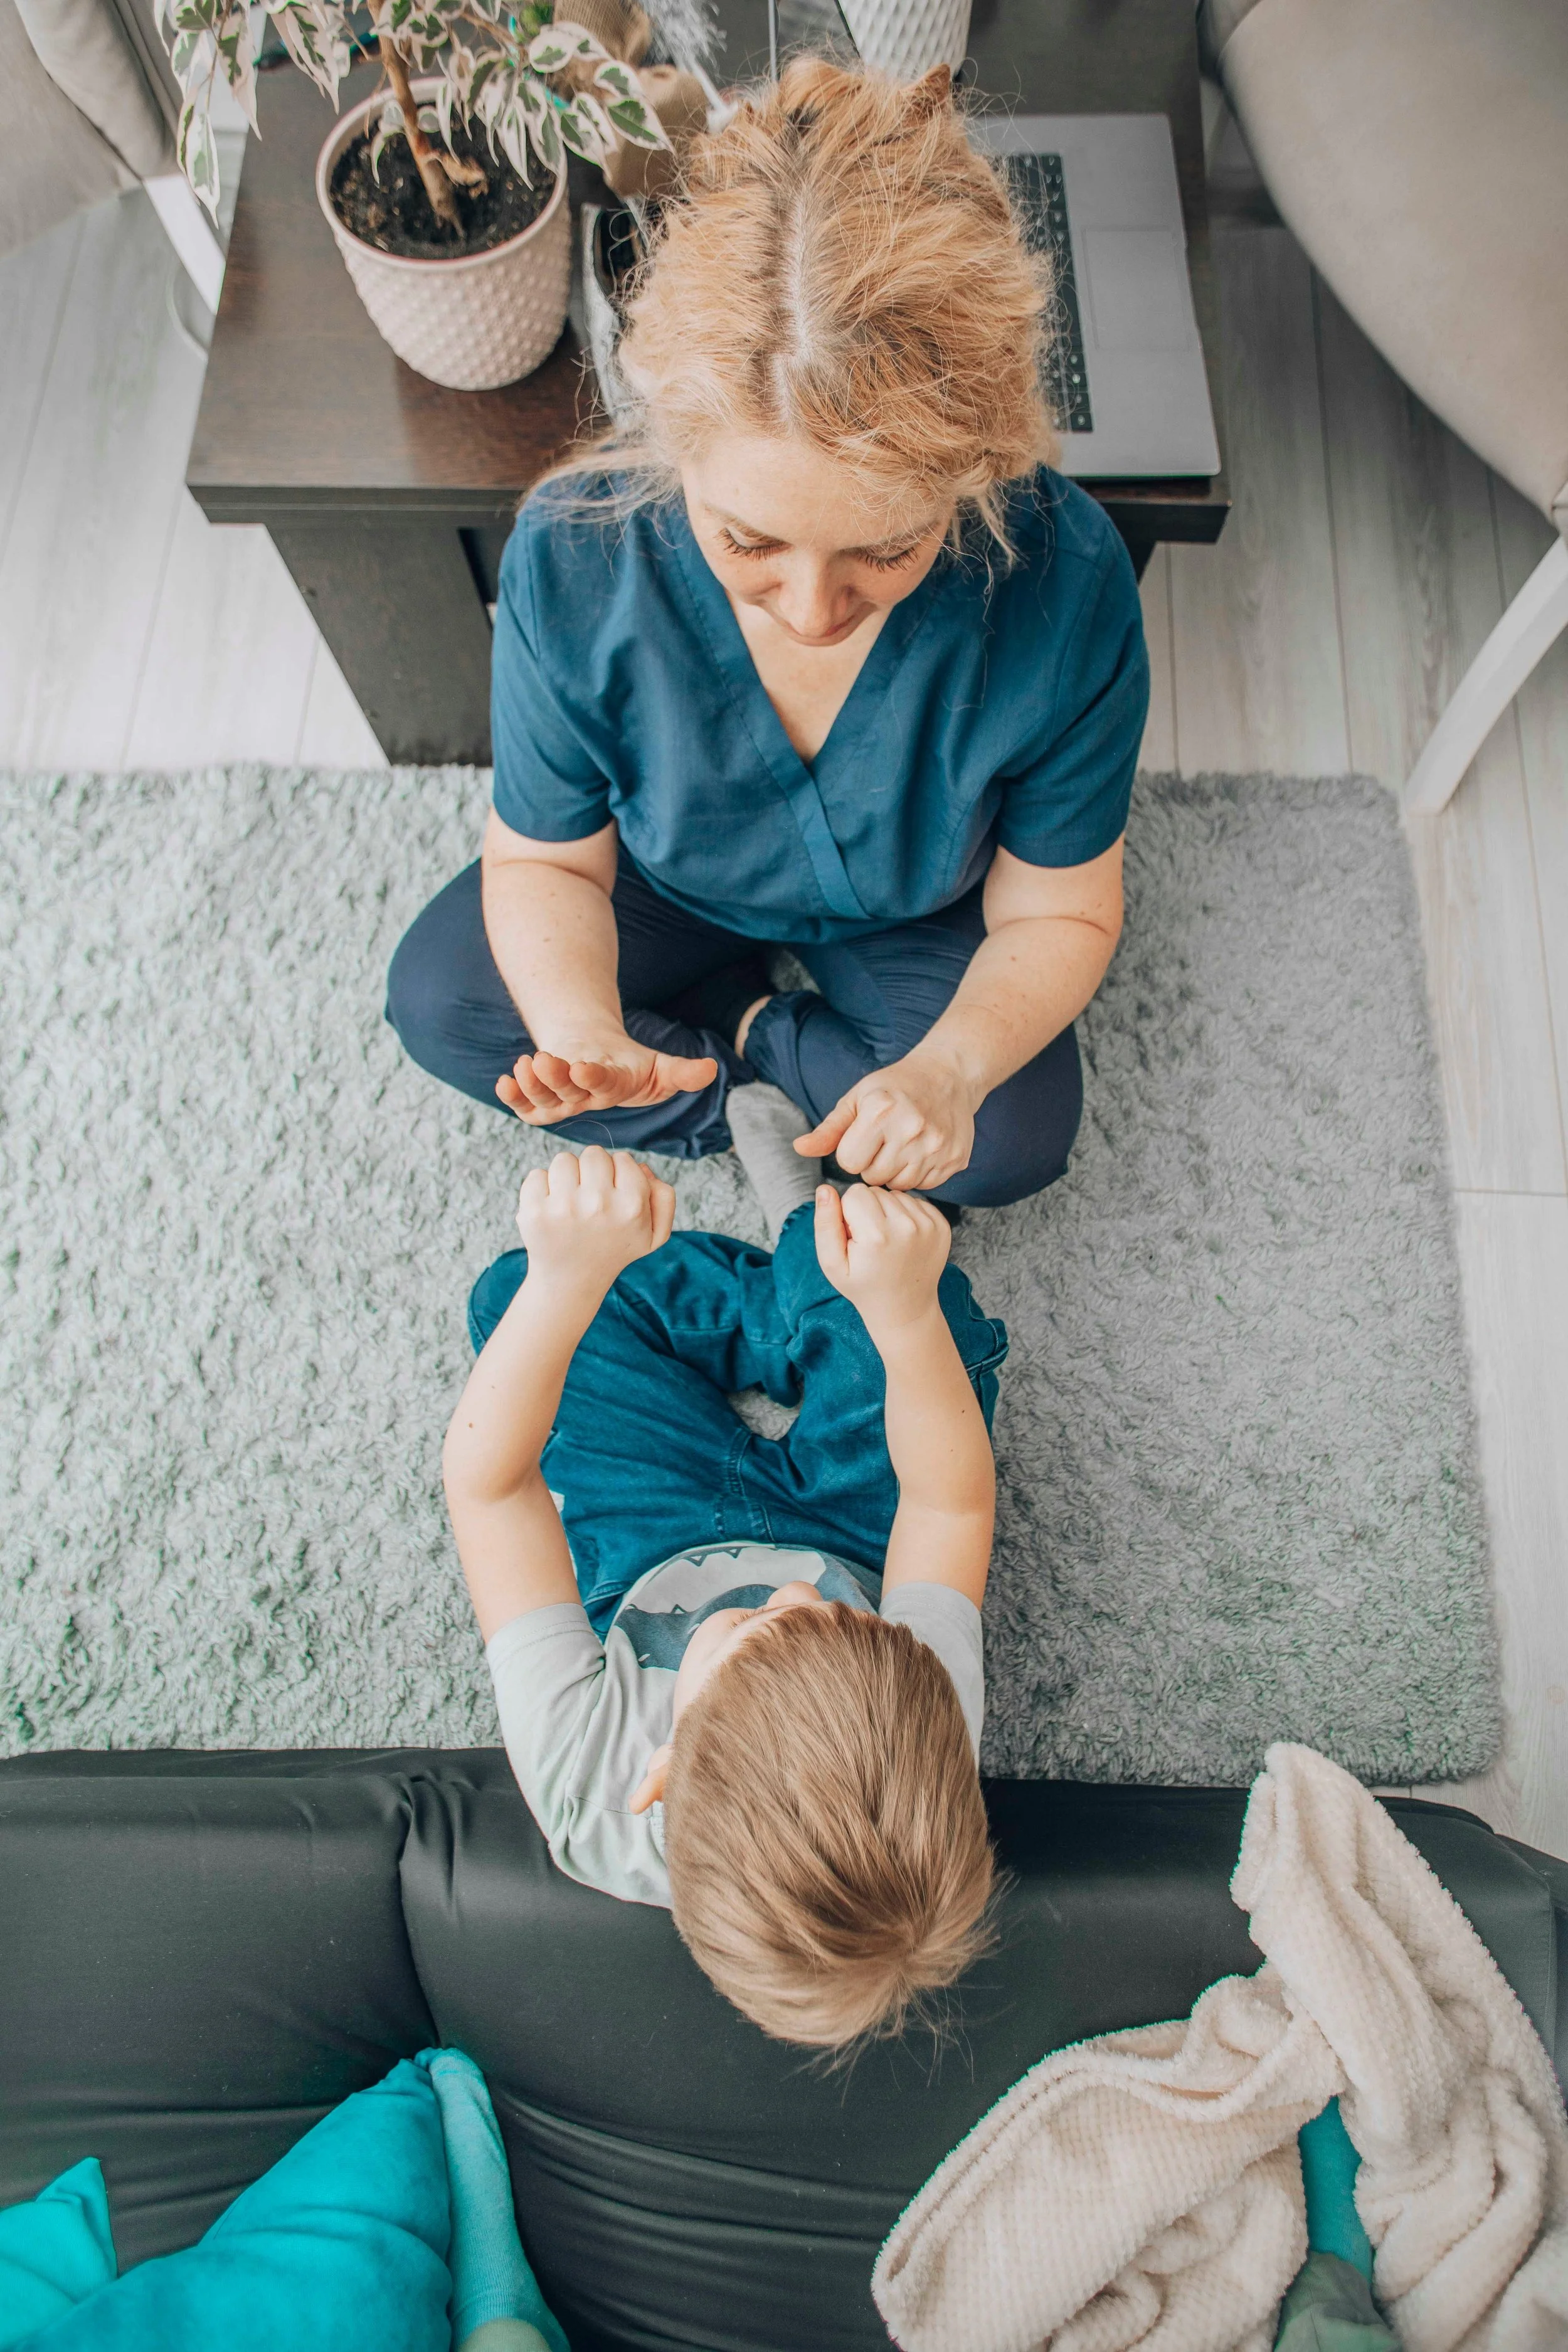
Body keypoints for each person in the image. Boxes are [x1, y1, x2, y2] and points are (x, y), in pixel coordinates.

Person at [388, 57, 1148, 1211]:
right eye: (748, 544)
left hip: (922, 907)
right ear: (671, 443)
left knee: (1006, 1138)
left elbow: (1058, 908)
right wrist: (584, 1027)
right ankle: (772, 1077)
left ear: (976, 474)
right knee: (447, 1000)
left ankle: (742, 1020)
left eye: (885, 553)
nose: (811, 611)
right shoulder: (577, 552)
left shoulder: (1068, 579)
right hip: (662, 880)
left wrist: (947, 1073)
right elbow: (545, 860)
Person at [442, 1143, 1007, 2048]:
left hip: (653, 1543)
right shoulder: (920, 1728)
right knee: (929, 1312)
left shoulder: (586, 1783)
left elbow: (489, 1488)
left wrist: (565, 1277)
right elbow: (951, 1499)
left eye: (749, 1626)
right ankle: (814, 1261)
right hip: (859, 1532)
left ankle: (809, 1264)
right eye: (832, 1621)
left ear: (658, 1772)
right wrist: (899, 1312)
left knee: (514, 1301)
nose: (791, 1592)